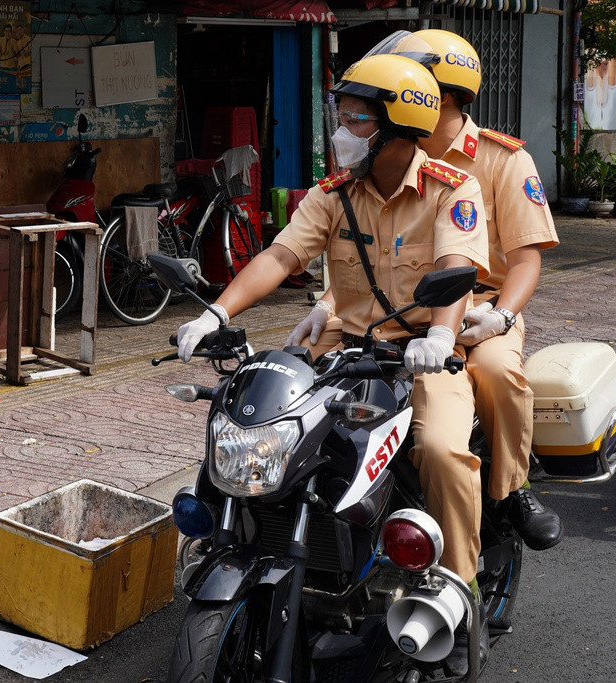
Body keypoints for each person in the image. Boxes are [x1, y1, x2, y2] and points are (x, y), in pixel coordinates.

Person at [178, 53, 491, 670]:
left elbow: (456, 270)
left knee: (443, 451)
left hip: (422, 354)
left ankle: (457, 591)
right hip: (346, 348)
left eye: (357, 120)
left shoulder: (455, 189)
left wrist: (438, 334)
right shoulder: (333, 196)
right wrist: (216, 312)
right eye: (341, 117)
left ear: (400, 127)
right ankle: (259, 545)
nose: (342, 132)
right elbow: (280, 256)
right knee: (268, 429)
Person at [286, 30, 563, 557]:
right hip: (393, 312)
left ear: (449, 96)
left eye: (420, 85)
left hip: (480, 308)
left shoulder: (501, 161)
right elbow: (358, 250)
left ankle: (512, 489)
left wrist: (501, 317)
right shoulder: (377, 153)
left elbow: (526, 259)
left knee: (498, 374)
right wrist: (326, 305)